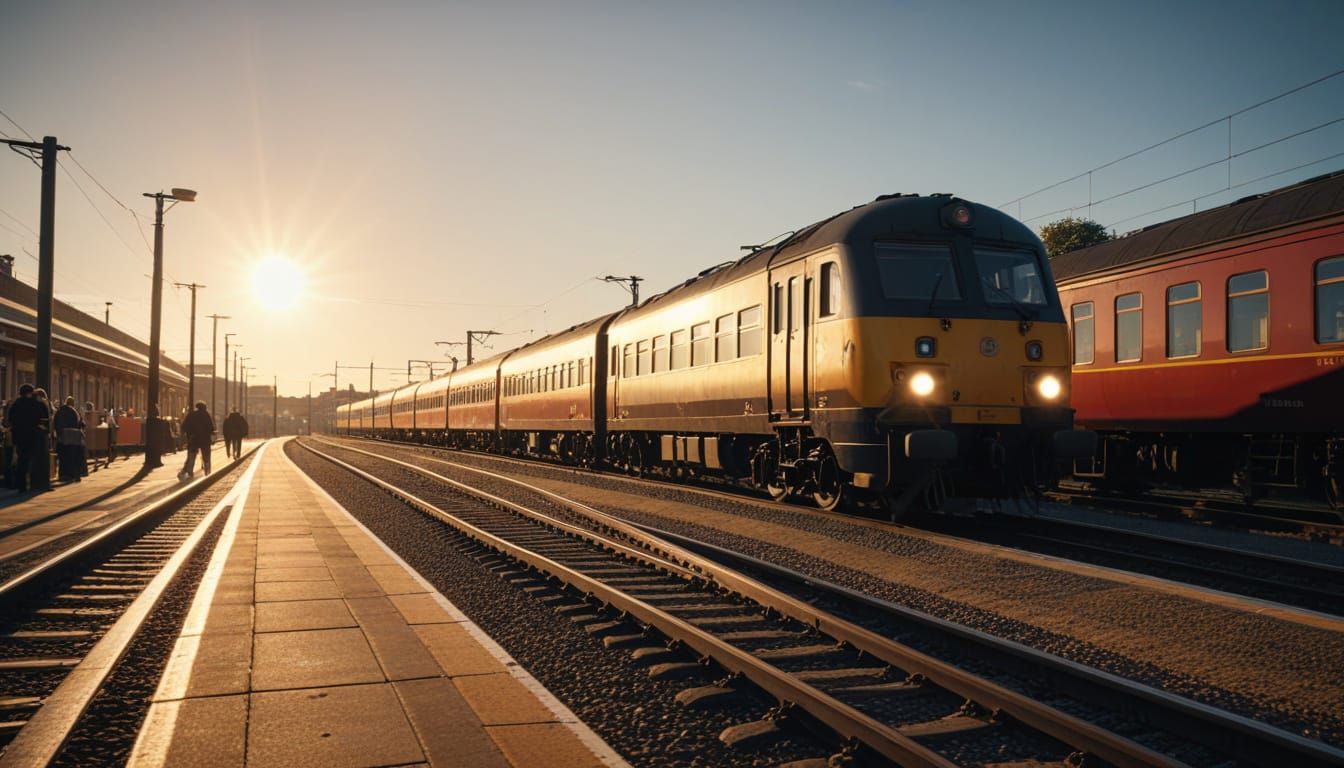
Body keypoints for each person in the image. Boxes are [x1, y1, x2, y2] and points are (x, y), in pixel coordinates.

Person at [5, 385, 44, 491]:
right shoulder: (33, 403)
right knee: (29, 459)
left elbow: (11, 418)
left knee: (21, 458)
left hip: (18, 436)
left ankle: (20, 483)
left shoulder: (16, 404)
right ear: (29, 393)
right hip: (30, 435)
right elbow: (39, 416)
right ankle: (29, 482)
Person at [179, 401, 215, 479]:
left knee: (191, 455)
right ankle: (207, 470)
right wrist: (211, 433)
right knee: (206, 455)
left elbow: (184, 426)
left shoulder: (191, 414)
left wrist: (189, 433)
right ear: (204, 407)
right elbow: (211, 427)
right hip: (205, 439)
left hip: (193, 438)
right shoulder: (206, 415)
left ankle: (189, 471)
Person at [53, 396, 85, 482]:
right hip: (72, 437)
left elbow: (55, 423)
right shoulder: (74, 412)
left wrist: (58, 433)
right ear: (73, 403)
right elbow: (79, 424)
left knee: (63, 457)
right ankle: (72, 474)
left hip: (62, 437)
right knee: (72, 457)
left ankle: (63, 474)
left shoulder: (59, 411)